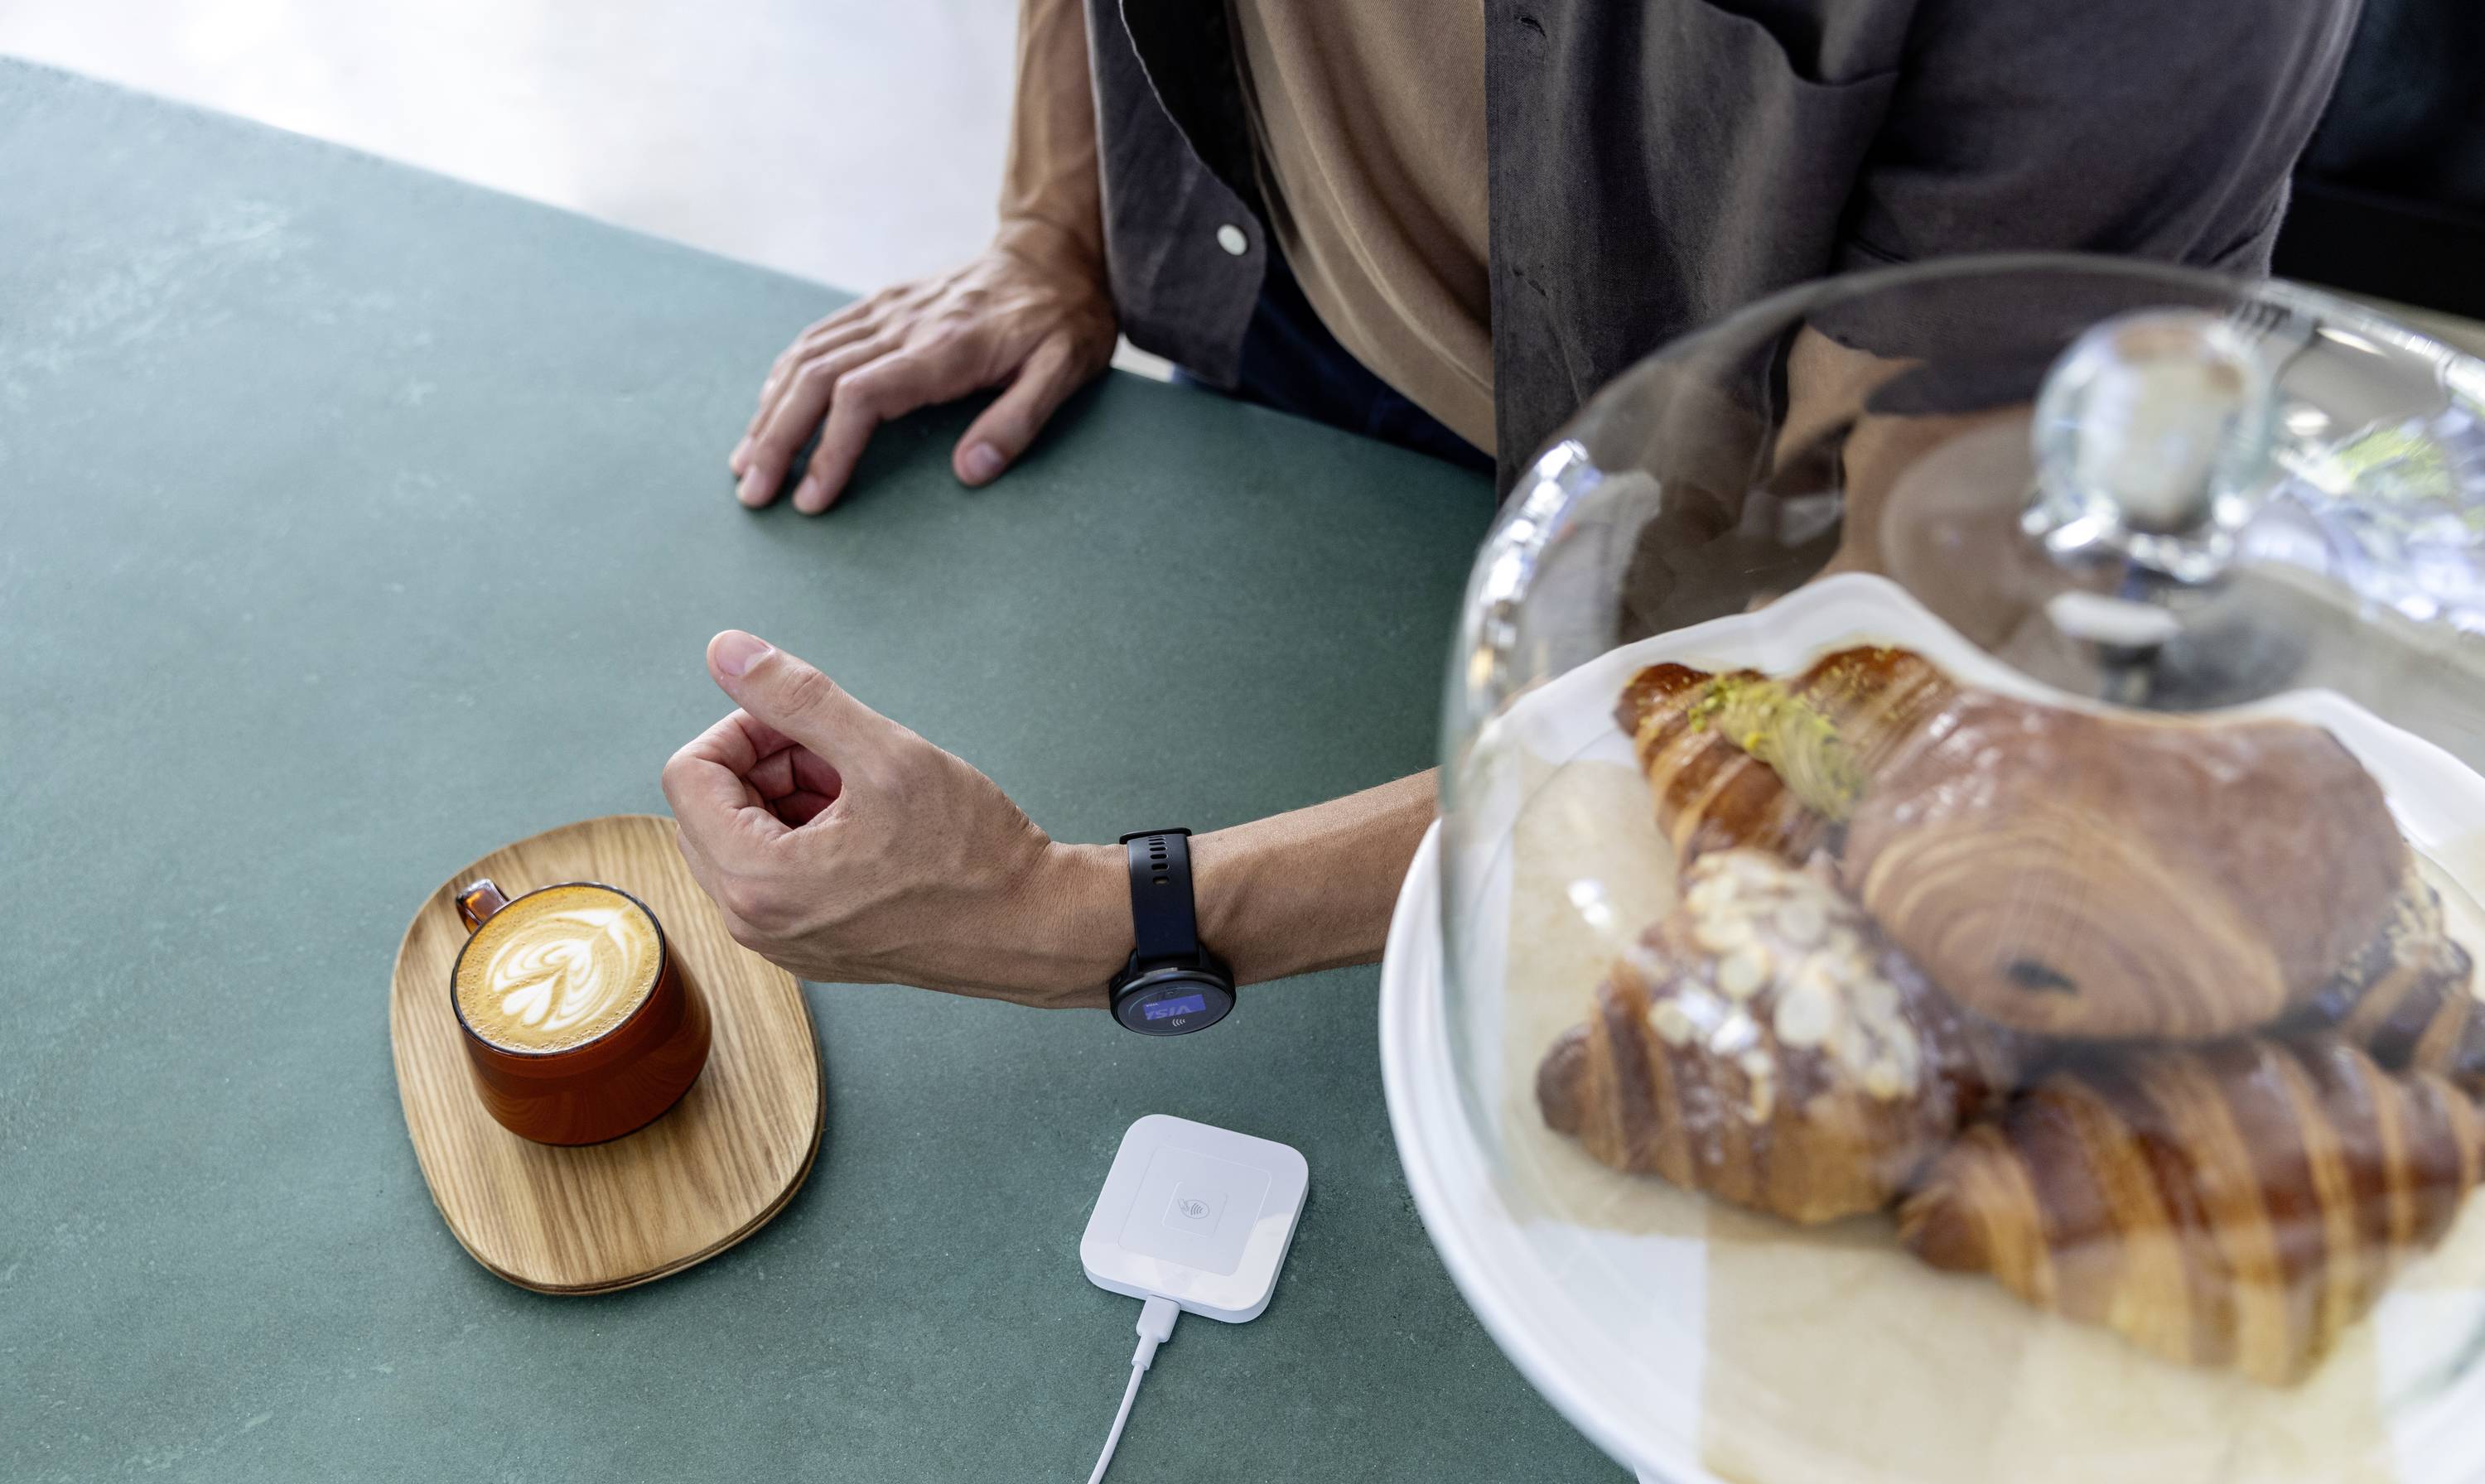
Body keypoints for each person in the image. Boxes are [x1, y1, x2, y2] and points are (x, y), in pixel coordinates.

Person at [671, 0, 2357, 1008]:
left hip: (1738, 570)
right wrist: (1060, 222)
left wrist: (1095, 914)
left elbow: (1888, 695)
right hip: (1284, 326)